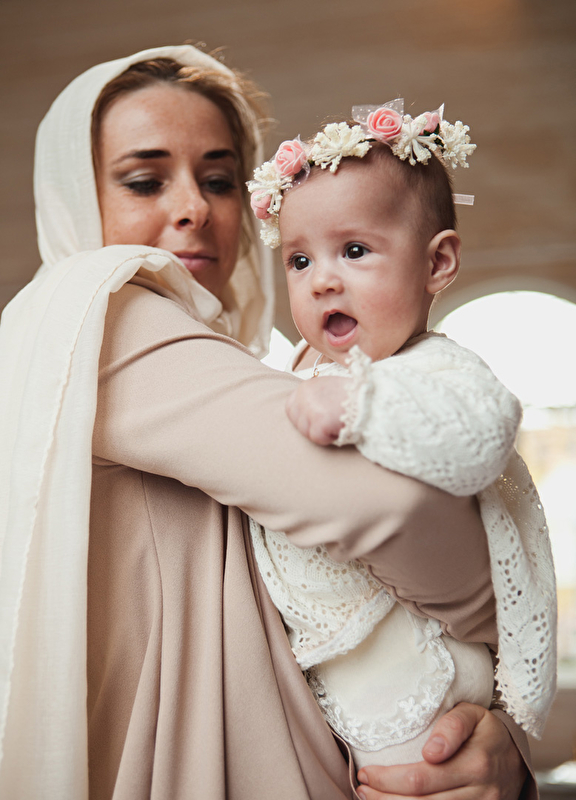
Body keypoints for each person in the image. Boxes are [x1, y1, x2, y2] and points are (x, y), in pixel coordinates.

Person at [0, 46, 535, 800]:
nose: (194, 208)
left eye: (220, 180)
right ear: (73, 199)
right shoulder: (103, 315)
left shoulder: (252, 363)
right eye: (145, 181)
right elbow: (382, 504)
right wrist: (506, 623)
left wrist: (492, 750)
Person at [247, 105, 557, 768]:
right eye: (299, 260)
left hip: (420, 674)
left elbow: (481, 436)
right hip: (335, 667)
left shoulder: (433, 367)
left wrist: (361, 404)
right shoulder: (296, 370)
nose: (323, 279)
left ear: (437, 262)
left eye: (355, 251)